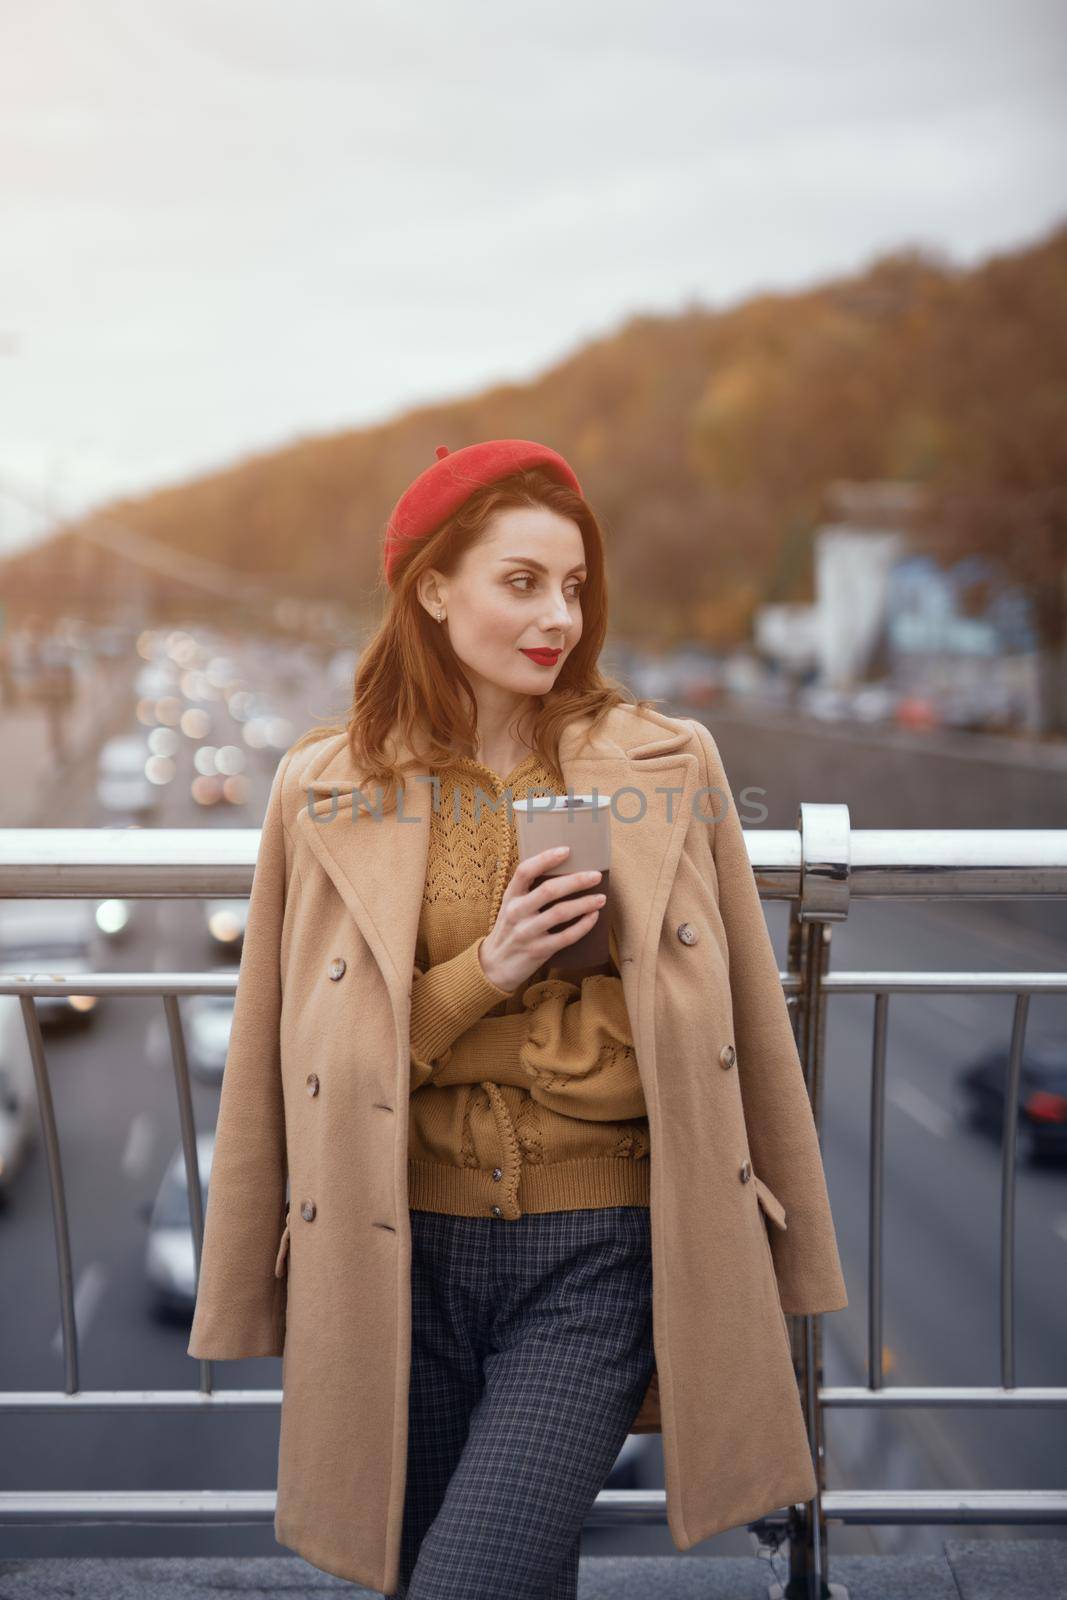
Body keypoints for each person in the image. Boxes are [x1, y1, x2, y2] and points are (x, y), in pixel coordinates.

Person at [187, 437, 849, 1598]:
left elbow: (711, 1029)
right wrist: (487, 973)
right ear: (432, 590)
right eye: (521, 581)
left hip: (595, 1255)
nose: (557, 615)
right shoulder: (325, 785)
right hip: (400, 1254)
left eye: (573, 584)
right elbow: (295, 1054)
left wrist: (434, 1033)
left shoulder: (665, 761)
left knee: (470, 1580)